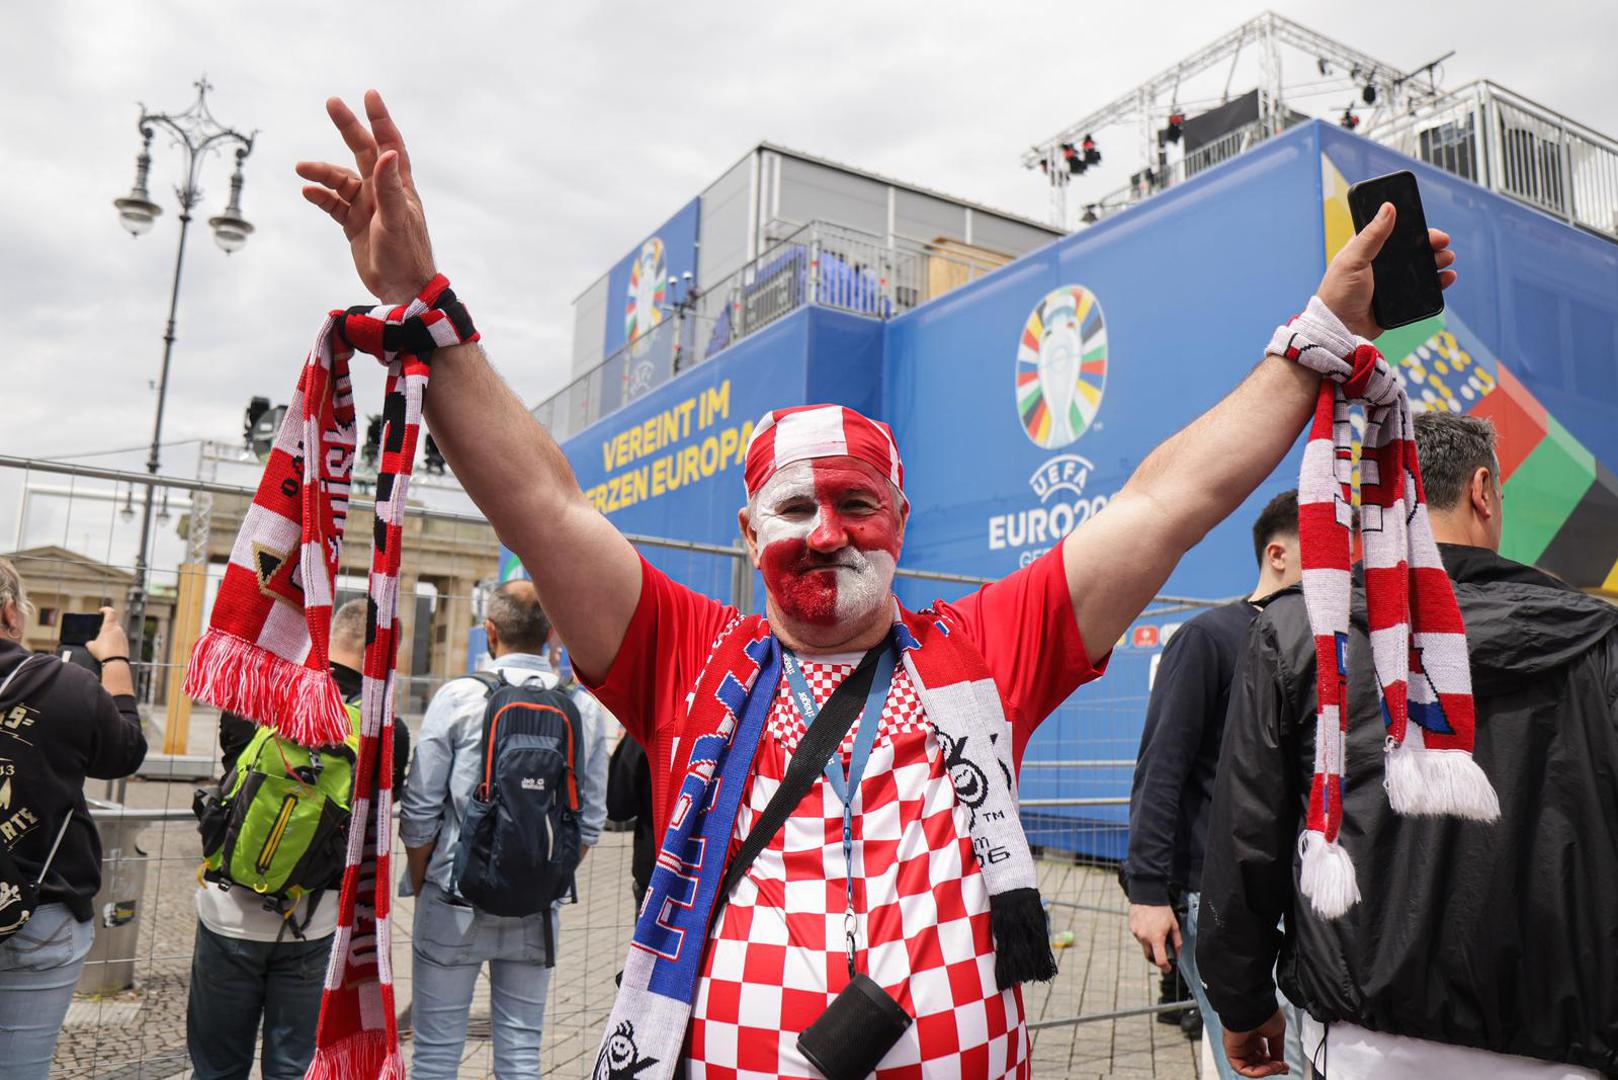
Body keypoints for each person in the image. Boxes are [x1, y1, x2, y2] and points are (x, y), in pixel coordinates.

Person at [294, 89, 1454, 1077]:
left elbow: (1164, 501)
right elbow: (543, 505)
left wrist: (1313, 336)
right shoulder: (684, 654)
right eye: (793, 509)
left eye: (854, 504)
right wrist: (424, 307)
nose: (824, 534)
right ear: (748, 532)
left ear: (898, 520)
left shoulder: (988, 646)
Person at [1197, 411, 1618, 1079]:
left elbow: (1249, 836)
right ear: (1483, 491)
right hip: (1562, 1043)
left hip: (1362, 1040)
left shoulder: (1302, 629)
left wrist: (1242, 1003)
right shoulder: (1598, 640)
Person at [186, 597, 411, 1080]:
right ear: (386, 656)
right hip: (313, 920)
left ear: (327, 636)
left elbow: (233, 772)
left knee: (216, 1067)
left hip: (228, 911)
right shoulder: (387, 730)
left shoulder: (266, 692)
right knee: (293, 1067)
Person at [1124, 490, 1304, 1075]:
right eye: (1325, 547)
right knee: (1268, 1067)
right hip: (1220, 897)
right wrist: (1148, 891)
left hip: (1302, 897)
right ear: (1277, 554)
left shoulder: (1322, 645)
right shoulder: (1209, 638)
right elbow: (1161, 767)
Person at [398, 579, 609, 1079]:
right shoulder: (583, 708)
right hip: (537, 908)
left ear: (490, 631)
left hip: (453, 899)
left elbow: (419, 811)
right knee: (519, 1054)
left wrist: (426, 879)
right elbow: (590, 823)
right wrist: (544, 874)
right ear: (552, 634)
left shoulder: (458, 697)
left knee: (435, 1055)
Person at [0, 562, 146, 1080]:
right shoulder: (65, 684)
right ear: (10, 612)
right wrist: (116, 661)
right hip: (38, 907)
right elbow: (124, 753)